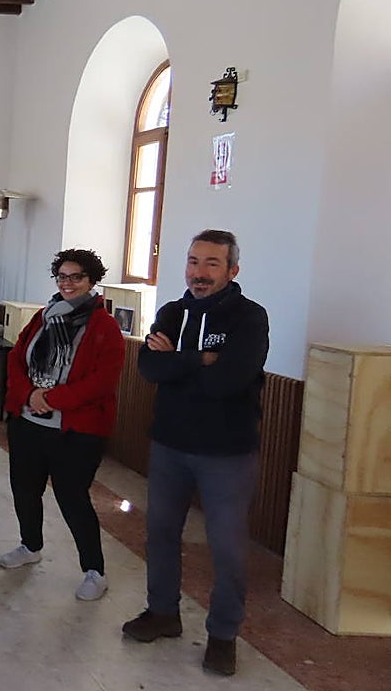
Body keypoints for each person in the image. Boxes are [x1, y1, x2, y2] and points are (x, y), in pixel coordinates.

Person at [121, 230, 268, 677]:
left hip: (227, 453)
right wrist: (200, 358)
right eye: (192, 261)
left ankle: (223, 635)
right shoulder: (172, 311)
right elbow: (149, 367)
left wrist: (178, 361)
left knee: (226, 546)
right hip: (170, 445)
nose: (198, 273)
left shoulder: (249, 317)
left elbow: (229, 381)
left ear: (232, 270)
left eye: (211, 263)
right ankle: (163, 612)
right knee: (161, 533)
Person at [0, 249, 125, 602]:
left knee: (72, 497)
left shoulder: (104, 326)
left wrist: (52, 399)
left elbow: (102, 381)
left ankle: (94, 571)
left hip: (76, 429)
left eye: (76, 277)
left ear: (91, 280)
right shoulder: (43, 316)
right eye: (62, 277)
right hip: (29, 420)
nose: (68, 283)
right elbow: (16, 358)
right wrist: (30, 394)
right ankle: (30, 546)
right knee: (25, 489)